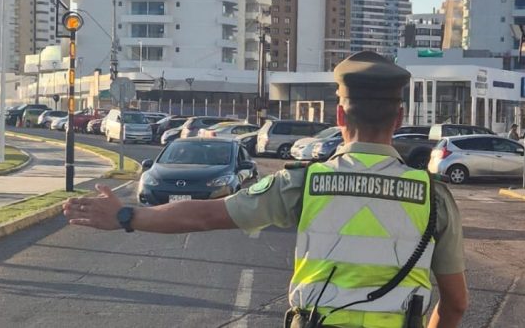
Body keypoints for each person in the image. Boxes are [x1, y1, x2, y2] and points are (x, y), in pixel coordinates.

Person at [63, 52, 469, 328]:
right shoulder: (433, 197)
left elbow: (206, 215)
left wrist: (125, 216)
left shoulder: (304, 182)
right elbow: (456, 303)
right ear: (399, 117)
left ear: (340, 114)